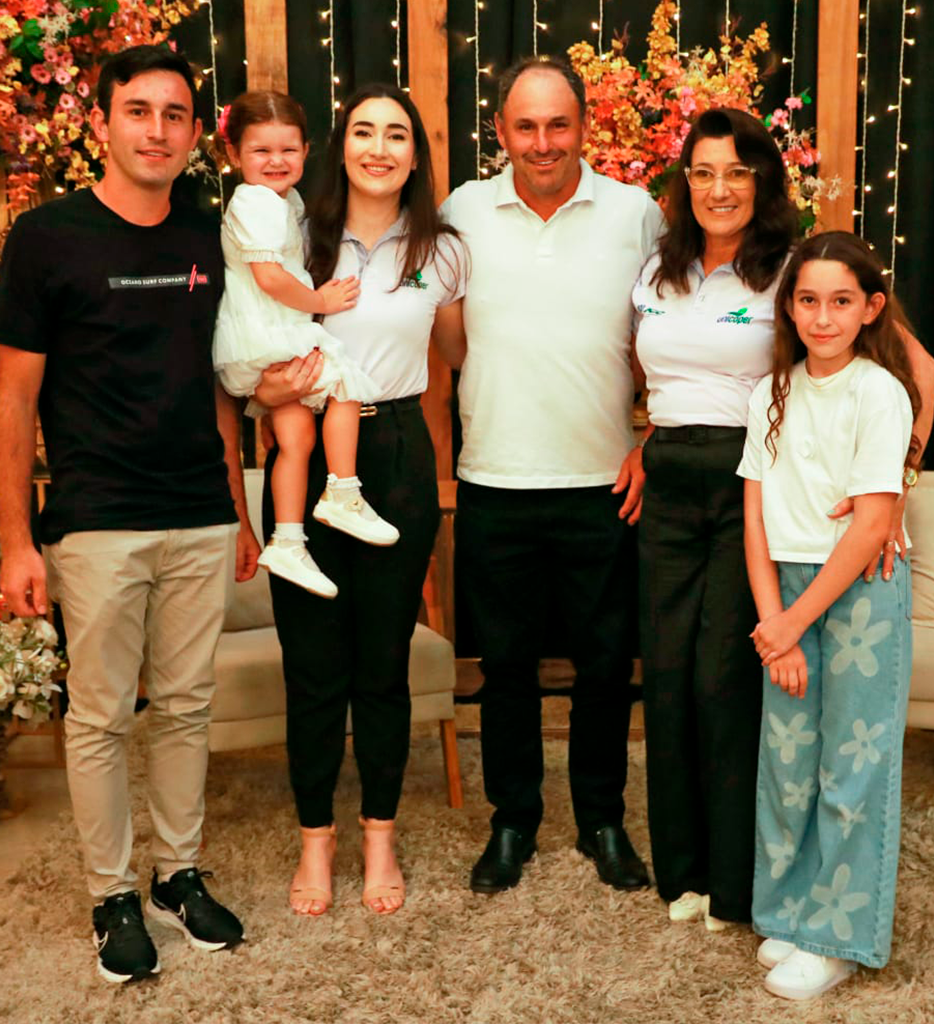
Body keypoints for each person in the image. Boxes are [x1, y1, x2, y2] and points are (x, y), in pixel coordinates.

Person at [0, 47, 259, 982]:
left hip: (199, 513)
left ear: (194, 132)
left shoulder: (210, 237)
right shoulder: (45, 238)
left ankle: (176, 875)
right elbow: (13, 400)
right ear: (102, 122)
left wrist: (238, 509)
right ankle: (110, 893)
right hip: (96, 519)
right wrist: (14, 539)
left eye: (175, 114)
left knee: (187, 707)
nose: (157, 130)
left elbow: (221, 385)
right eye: (139, 111)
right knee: (103, 716)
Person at [441, 56, 664, 895]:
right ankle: (513, 821)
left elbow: (668, 333)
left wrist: (651, 436)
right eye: (526, 126)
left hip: (604, 483)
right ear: (501, 130)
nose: (543, 143)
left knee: (606, 666)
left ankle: (602, 818)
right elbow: (445, 340)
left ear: (584, 127)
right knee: (505, 668)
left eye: (558, 124)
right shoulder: (462, 211)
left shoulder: (635, 214)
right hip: (494, 479)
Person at [250, 83, 466, 917]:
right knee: (312, 667)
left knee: (382, 664)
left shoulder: (443, 248)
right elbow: (247, 344)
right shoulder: (294, 234)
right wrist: (265, 393)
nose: (380, 148)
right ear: (340, 147)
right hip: (305, 453)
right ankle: (317, 838)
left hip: (397, 453)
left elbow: (456, 355)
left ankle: (379, 834)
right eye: (364, 132)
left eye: (397, 135)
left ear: (416, 154)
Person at [738, 232, 919, 999]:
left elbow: (873, 523)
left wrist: (793, 622)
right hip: (785, 590)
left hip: (858, 590)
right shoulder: (770, 394)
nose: (822, 317)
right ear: (789, 307)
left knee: (852, 767)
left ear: (871, 307)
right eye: (808, 300)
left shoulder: (880, 392)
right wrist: (774, 621)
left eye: (841, 301)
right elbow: (754, 517)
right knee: (788, 765)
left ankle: (840, 938)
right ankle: (790, 911)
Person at [632, 108, 798, 930]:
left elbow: (909, 366)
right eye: (703, 172)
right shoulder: (657, 271)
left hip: (750, 484)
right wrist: (643, 444)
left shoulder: (793, 270)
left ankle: (736, 883)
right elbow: (649, 378)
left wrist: (895, 480)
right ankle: (683, 874)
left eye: (737, 172)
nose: (719, 188)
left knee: (723, 680)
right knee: (665, 676)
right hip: (667, 479)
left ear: (763, 181)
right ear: (684, 183)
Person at [214, 91, 399, 600]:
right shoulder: (254, 202)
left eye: (288, 150)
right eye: (261, 151)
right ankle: (342, 490)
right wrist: (320, 300)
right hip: (269, 332)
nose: (276, 161)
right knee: (345, 385)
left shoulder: (284, 201)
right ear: (234, 153)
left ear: (306, 151)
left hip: (265, 337)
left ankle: (288, 540)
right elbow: (270, 278)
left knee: (296, 439)